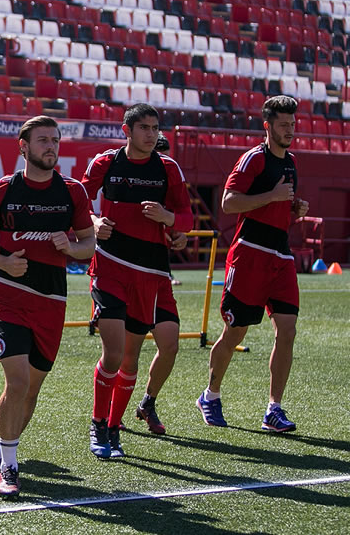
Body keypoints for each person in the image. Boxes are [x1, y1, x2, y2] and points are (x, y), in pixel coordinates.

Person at [0, 116, 95, 497]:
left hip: (52, 302)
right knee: (18, 382)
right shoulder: (1, 190)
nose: (51, 146)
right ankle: (9, 466)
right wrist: (1, 261)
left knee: (31, 389)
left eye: (55, 140)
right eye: (42, 140)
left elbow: (89, 245)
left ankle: (1, 449)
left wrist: (71, 248)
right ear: (23, 146)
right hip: (10, 297)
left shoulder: (72, 192)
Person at [80, 103, 192, 458]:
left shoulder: (168, 169)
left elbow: (186, 217)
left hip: (151, 273)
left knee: (131, 358)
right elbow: (77, 201)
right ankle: (98, 424)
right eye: (144, 127)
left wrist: (168, 217)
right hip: (110, 266)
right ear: (126, 130)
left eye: (155, 128)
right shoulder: (106, 162)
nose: (151, 134)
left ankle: (114, 427)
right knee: (113, 354)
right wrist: (93, 221)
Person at [198, 95, 307, 432]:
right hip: (250, 254)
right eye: (283, 124)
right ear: (267, 126)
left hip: (281, 256)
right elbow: (229, 203)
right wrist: (272, 196)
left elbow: (278, 206)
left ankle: (274, 409)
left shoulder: (291, 162)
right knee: (235, 332)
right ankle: (210, 395)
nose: (290, 130)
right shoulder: (253, 159)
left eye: (292, 124)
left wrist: (294, 208)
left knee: (287, 330)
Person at [122, 131, 188, 436]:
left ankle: (148, 402)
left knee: (170, 344)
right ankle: (110, 414)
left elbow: (180, 221)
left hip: (159, 274)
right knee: (125, 353)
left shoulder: (169, 182)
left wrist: (175, 229)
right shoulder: (124, 179)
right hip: (127, 275)